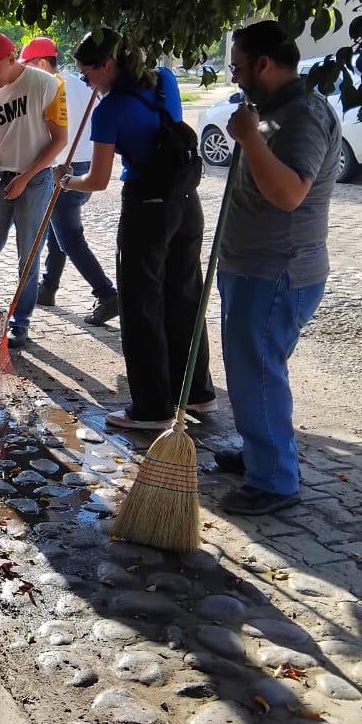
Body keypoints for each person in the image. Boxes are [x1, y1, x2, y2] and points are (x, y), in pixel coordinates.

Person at [214, 21, 340, 515]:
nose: (236, 78)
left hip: (277, 271)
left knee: (259, 374)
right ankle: (259, 454)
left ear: (263, 64)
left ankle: (274, 481)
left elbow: (289, 194)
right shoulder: (273, 110)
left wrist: (249, 139)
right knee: (249, 371)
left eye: (238, 67)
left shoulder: (303, 115)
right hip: (251, 266)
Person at [62, 28, 216, 431]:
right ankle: (196, 392)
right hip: (186, 202)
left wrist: (66, 181)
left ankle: (152, 409)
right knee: (185, 296)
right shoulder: (164, 81)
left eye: (87, 75)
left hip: (147, 210)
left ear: (106, 65)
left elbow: (97, 181)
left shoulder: (109, 111)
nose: (88, 84)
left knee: (141, 306)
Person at [0, 33, 67, 348]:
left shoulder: (45, 84)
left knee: (29, 255)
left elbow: (59, 140)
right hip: (2, 178)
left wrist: (26, 176)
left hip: (35, 180)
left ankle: (20, 322)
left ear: (10, 59)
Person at [22, 37, 119, 326]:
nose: (25, 73)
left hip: (66, 167)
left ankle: (106, 294)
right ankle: (48, 287)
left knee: (69, 239)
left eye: (28, 66)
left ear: (42, 64)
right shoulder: (77, 82)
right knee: (57, 230)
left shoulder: (49, 87)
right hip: (85, 162)